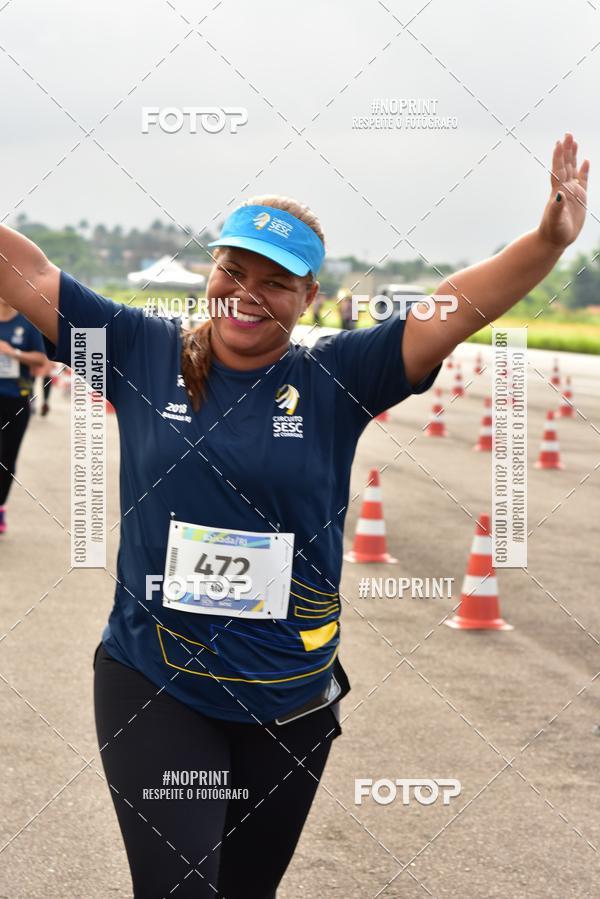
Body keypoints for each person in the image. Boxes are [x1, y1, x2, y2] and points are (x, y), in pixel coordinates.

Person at [0, 133, 589, 898]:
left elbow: (453, 307)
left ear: (309, 296)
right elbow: (28, 271)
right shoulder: (138, 349)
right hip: (157, 679)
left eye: (276, 281)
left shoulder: (338, 376)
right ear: (211, 271)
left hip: (289, 697)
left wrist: (547, 243)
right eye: (234, 270)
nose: (247, 292)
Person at [0, 296, 47, 534]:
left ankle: (0, 506)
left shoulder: (27, 324)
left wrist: (13, 353)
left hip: (16, 399)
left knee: (7, 458)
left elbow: (42, 360)